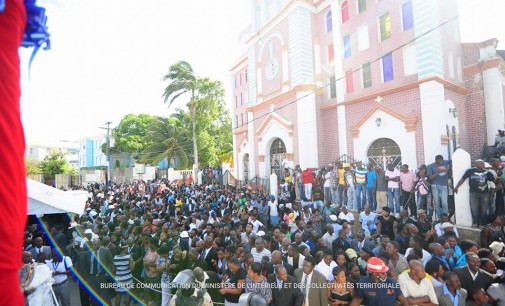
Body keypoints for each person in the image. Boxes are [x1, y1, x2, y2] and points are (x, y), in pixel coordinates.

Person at [454, 159, 495, 228]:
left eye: (483, 163)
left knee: (484, 209)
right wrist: (457, 187)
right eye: (481, 164)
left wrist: (491, 196)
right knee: (474, 209)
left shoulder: (487, 172)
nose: (483, 165)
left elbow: (493, 183)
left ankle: (482, 224)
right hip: (473, 193)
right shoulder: (470, 171)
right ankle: (475, 223)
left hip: (485, 193)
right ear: (476, 165)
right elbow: (463, 179)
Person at [427, 155, 451, 220]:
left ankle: (445, 216)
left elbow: (453, 160)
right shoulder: (430, 166)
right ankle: (439, 217)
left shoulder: (445, 162)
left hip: (444, 185)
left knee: (444, 202)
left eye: (442, 161)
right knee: (437, 202)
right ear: (436, 160)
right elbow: (430, 177)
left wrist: (448, 169)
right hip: (435, 186)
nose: (441, 162)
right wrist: (440, 171)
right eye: (439, 161)